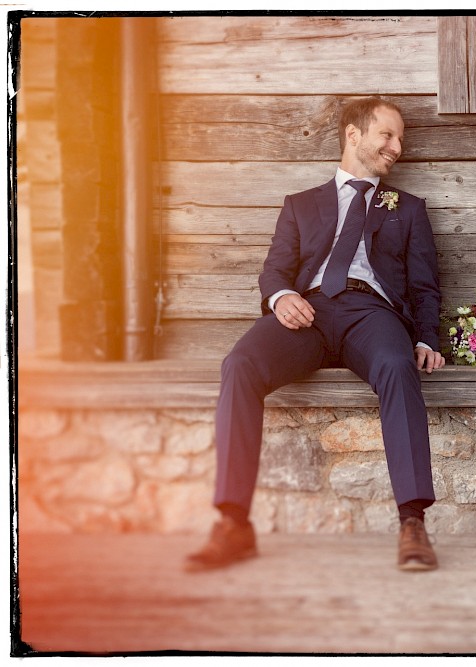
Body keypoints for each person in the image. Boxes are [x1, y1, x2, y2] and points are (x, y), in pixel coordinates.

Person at [186, 97, 444, 573]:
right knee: (239, 365)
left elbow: (425, 285)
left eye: (401, 138)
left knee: (395, 363)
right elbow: (275, 271)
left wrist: (427, 338)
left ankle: (412, 521)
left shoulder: (406, 209)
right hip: (307, 314)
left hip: (373, 313)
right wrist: (281, 298)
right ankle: (232, 522)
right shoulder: (300, 205)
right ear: (353, 134)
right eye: (387, 135)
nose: (397, 146)